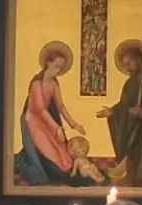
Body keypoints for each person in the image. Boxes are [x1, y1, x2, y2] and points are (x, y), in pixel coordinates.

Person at [15, 42, 92, 186]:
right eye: (56, 66)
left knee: (64, 154)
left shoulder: (54, 84)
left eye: (61, 68)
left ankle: (69, 173)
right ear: (48, 63)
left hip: (48, 121)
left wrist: (74, 124)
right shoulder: (36, 84)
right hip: (33, 122)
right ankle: (22, 163)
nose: (58, 70)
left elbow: (61, 106)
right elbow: (40, 110)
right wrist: (57, 128)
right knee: (52, 155)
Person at [98, 40, 142, 188]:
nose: (127, 68)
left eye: (129, 63)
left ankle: (135, 174)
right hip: (135, 131)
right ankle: (125, 168)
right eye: (124, 64)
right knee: (130, 135)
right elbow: (125, 104)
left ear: (138, 59)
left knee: (140, 135)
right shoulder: (130, 83)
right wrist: (113, 111)